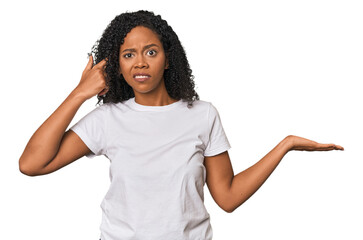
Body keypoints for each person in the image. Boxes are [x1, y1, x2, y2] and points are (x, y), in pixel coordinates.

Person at [18, 10, 344, 240]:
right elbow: (32, 163)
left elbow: (227, 197)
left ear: (167, 58)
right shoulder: (108, 119)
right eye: (128, 54)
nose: (141, 62)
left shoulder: (202, 115)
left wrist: (285, 144)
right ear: (116, 63)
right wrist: (80, 93)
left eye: (150, 51)